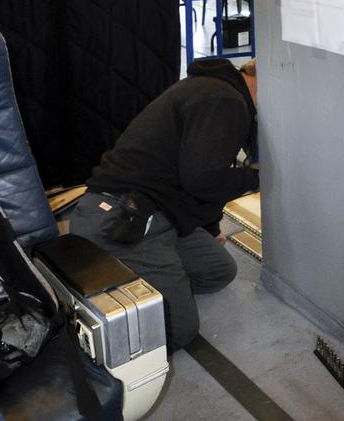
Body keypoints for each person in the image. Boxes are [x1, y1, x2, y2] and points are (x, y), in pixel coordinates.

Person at [69, 58, 260, 350]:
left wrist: (208, 228)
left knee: (217, 271)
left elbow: (192, 170)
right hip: (122, 220)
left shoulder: (213, 88)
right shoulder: (225, 101)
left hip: (160, 211)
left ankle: (148, 281)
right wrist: (254, 177)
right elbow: (202, 179)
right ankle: (113, 286)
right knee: (177, 330)